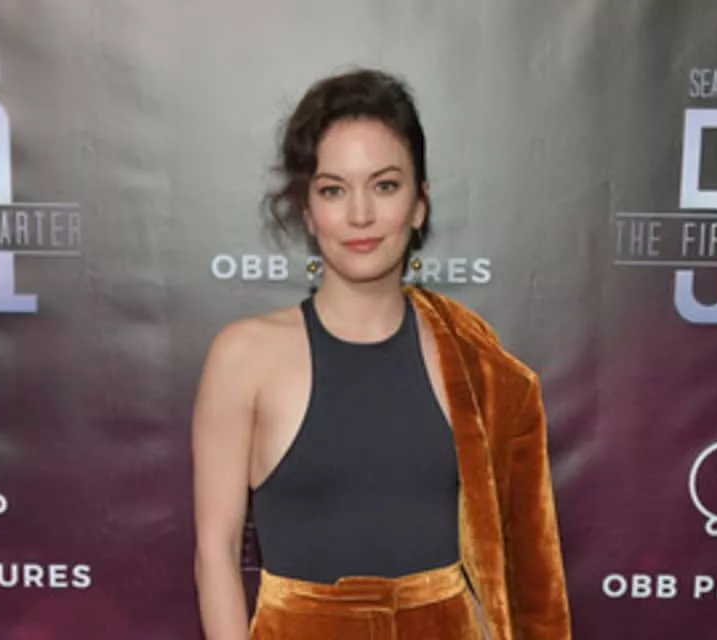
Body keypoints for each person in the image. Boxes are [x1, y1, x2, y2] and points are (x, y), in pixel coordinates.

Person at [192, 67, 571, 640]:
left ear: (419, 205)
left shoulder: (476, 361)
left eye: (385, 185)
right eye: (333, 189)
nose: (360, 215)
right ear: (308, 211)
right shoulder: (243, 357)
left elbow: (522, 567)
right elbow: (215, 555)